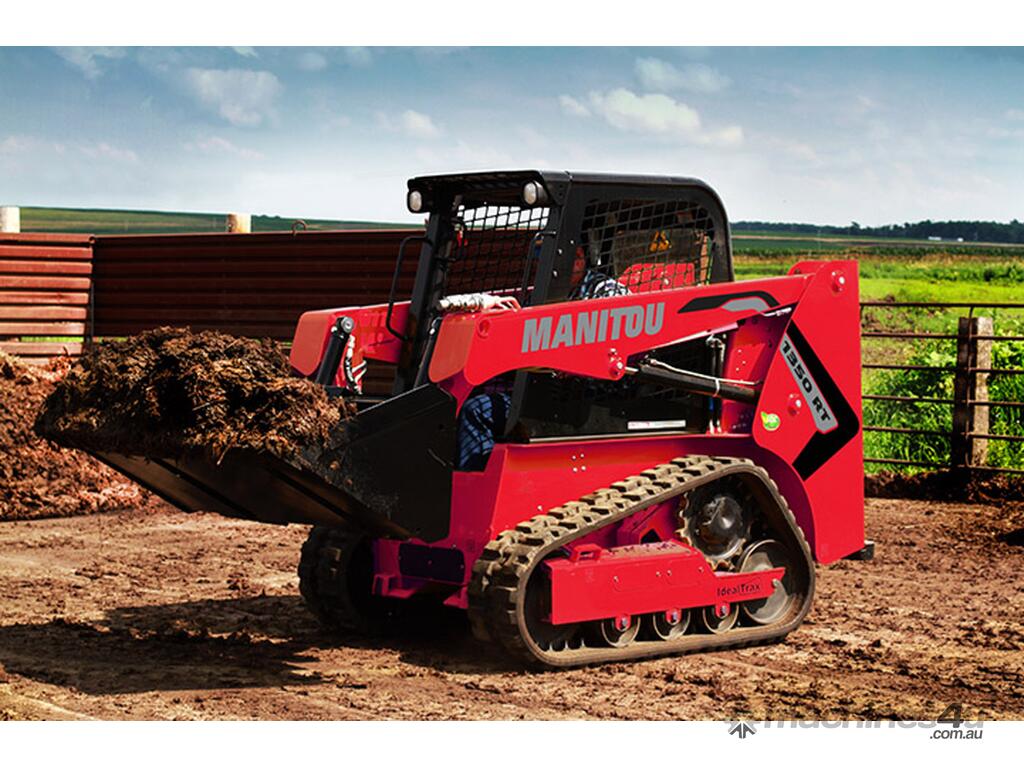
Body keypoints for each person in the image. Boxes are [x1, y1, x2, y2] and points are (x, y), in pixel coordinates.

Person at [455, 247, 629, 471]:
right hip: (545, 392)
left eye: (576, 254)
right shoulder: (539, 296)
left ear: (582, 259)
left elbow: (616, 343)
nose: (574, 258)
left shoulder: (606, 291)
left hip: (591, 398)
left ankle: (478, 484)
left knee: (477, 410)